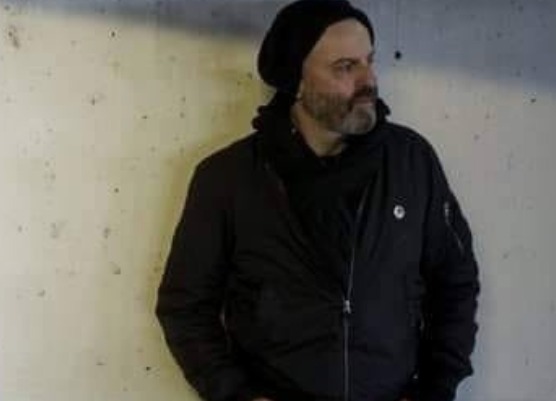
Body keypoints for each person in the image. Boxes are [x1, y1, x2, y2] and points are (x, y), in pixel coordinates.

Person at [155, 1, 480, 401]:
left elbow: (455, 283)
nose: (369, 80)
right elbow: (185, 306)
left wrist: (435, 388)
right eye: (345, 67)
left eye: (369, 61)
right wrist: (237, 395)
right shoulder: (228, 178)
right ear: (297, 80)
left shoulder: (412, 163)